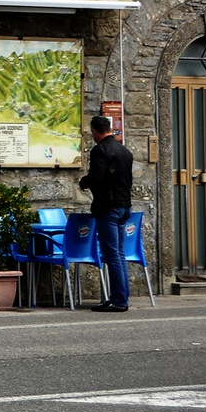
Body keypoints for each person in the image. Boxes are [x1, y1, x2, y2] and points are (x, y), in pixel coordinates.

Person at [78, 114, 133, 313]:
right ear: (109, 128)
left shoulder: (100, 150)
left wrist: (84, 182)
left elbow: (97, 177)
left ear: (94, 131)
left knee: (112, 255)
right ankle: (121, 297)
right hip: (124, 206)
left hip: (108, 207)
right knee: (119, 253)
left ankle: (118, 300)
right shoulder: (124, 151)